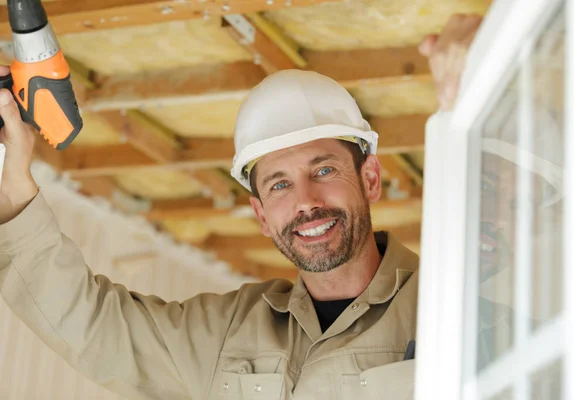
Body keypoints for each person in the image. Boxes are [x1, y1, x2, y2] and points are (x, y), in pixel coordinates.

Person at [0, 14, 483, 400]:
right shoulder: (229, 335)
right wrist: (15, 185)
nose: (306, 204)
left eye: (324, 171)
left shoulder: (457, 304)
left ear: (370, 178)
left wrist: (504, 88)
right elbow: (94, 326)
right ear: (260, 214)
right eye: (278, 186)